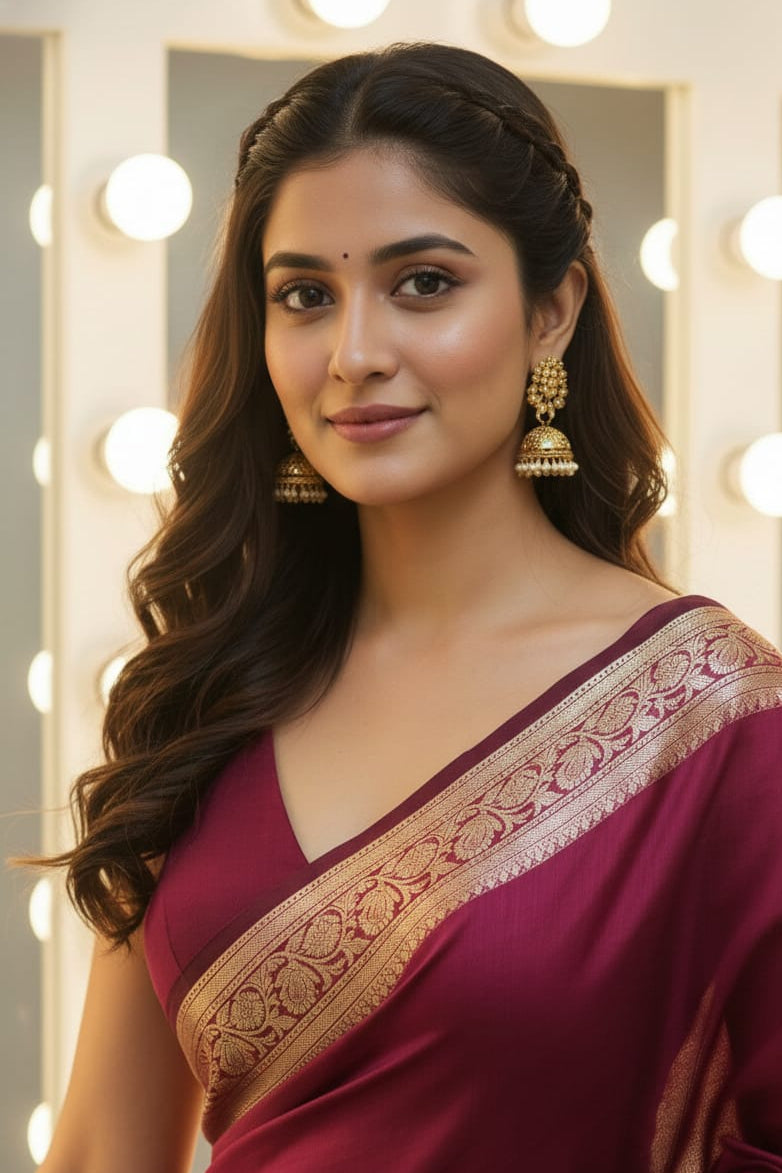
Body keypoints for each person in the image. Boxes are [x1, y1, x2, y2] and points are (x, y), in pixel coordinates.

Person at [38, 42, 782, 1173]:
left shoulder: (717, 723)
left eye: (423, 283)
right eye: (304, 296)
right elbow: (100, 1151)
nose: (353, 353)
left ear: (551, 312)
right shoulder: (211, 693)